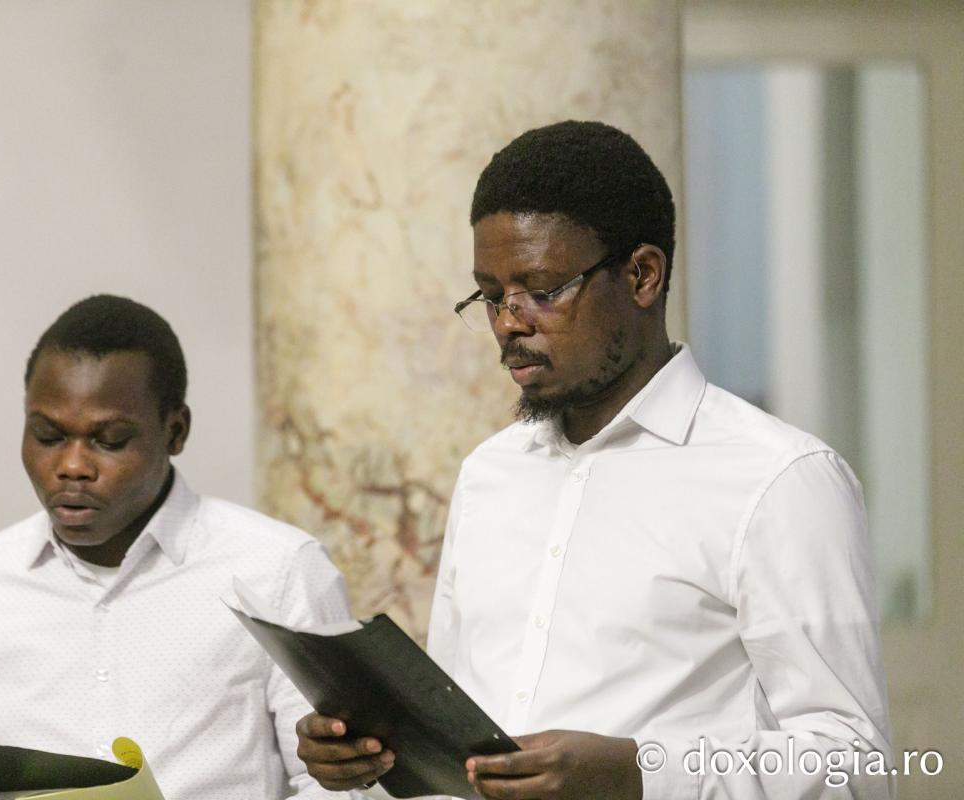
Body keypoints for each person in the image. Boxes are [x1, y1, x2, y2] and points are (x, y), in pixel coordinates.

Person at [294, 121, 892, 799]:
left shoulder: (778, 480)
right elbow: (460, 746)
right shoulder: (490, 474)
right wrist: (371, 758)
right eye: (490, 295)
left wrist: (639, 773)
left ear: (642, 276)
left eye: (543, 289)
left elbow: (856, 766)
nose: (509, 322)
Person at [0, 295, 352, 800]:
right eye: (48, 436)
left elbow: (336, 788)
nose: (72, 466)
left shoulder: (278, 569)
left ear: (175, 431)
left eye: (110, 440)